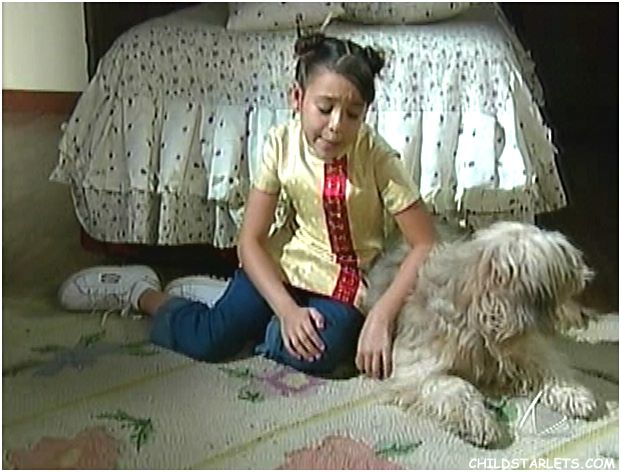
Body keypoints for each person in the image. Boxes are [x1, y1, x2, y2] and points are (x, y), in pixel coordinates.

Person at [58, 32, 437, 380]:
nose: (337, 125)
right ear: (297, 98)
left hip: (346, 284)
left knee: (321, 352)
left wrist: (381, 315)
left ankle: (235, 309)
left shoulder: (378, 158)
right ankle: (141, 294)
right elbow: (250, 241)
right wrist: (286, 310)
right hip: (282, 267)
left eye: (353, 114)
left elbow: (426, 243)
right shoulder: (280, 144)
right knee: (210, 341)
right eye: (324, 108)